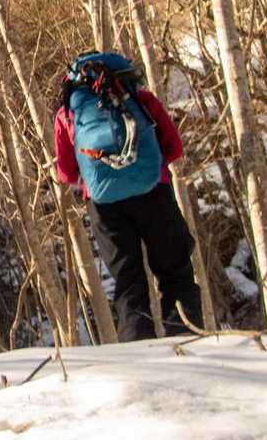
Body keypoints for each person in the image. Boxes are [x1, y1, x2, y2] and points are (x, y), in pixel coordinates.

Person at [54, 52, 202, 341]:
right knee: (176, 274)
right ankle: (188, 342)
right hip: (154, 192)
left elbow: (67, 173)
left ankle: (140, 354)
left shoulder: (68, 114)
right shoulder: (140, 98)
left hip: (104, 205)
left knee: (128, 287)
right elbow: (174, 148)